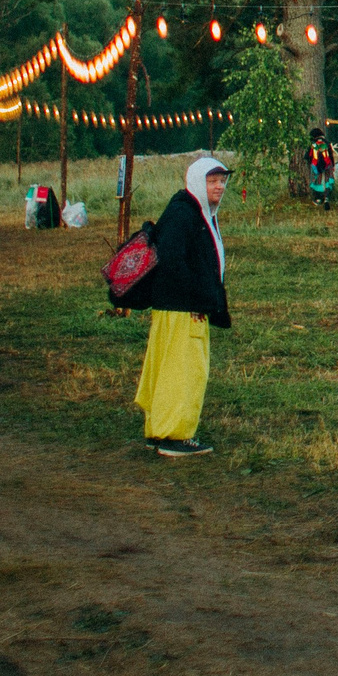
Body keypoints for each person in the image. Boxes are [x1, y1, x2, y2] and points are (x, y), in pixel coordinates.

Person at [136, 155, 232, 458]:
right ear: (196, 182)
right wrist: (198, 295)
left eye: (222, 181)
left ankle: (159, 430)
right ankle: (174, 436)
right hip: (183, 309)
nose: (219, 187)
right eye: (212, 181)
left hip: (176, 307)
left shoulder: (194, 210)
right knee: (185, 372)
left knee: (169, 369)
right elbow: (172, 260)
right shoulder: (184, 213)